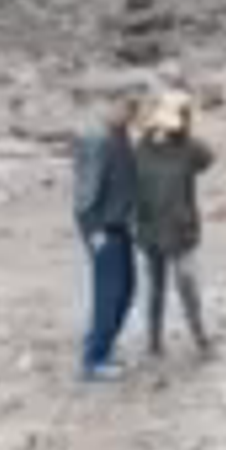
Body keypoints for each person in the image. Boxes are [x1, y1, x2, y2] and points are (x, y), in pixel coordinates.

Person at [130, 88, 215, 364]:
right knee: (160, 288)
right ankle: (156, 342)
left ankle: (199, 339)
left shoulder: (187, 148)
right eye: (185, 116)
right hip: (156, 228)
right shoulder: (144, 147)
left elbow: (208, 157)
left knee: (185, 286)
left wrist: (182, 134)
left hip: (177, 230)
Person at [70, 92, 143, 381]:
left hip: (121, 225)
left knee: (126, 288)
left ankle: (103, 346)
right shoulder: (97, 141)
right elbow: (84, 195)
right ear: (111, 105)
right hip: (103, 229)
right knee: (109, 293)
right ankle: (94, 359)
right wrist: (93, 233)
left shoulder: (122, 137)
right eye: (127, 106)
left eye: (135, 108)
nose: (132, 113)